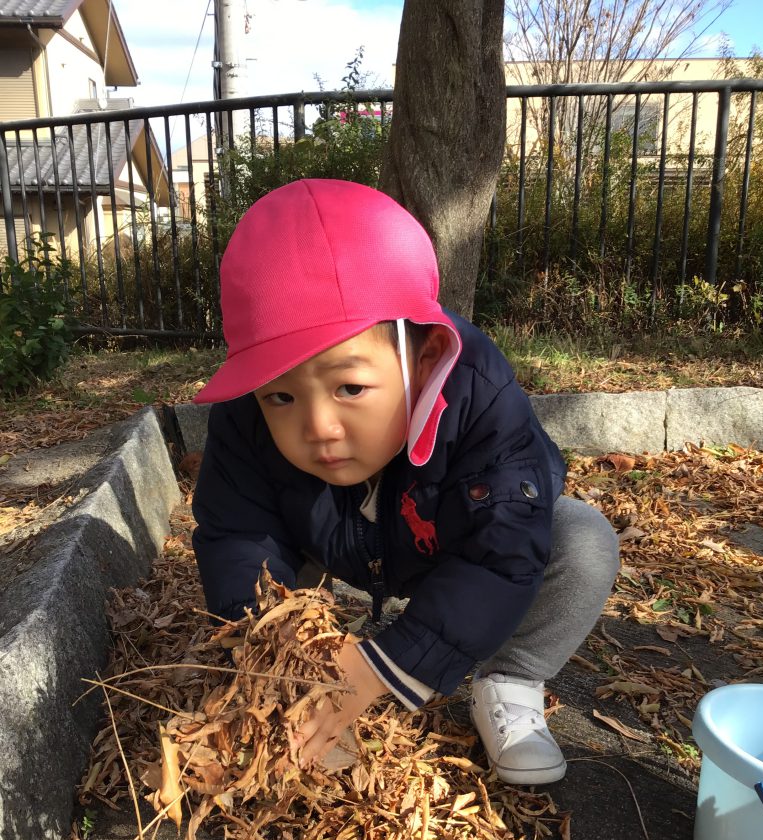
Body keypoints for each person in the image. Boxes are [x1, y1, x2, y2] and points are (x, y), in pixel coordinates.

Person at [191, 178, 620, 786]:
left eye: (350, 388)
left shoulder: (479, 396)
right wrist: (278, 651)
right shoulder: (245, 418)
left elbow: (501, 552)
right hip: (325, 541)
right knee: (267, 579)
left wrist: (387, 666)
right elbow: (236, 535)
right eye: (281, 395)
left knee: (580, 540)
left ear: (422, 359)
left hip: (448, 543)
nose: (318, 428)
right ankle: (305, 666)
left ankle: (510, 680)